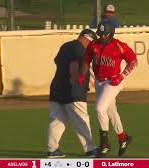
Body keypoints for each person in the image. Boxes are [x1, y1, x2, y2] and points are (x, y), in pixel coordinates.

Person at [78, 21, 137, 157]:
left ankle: (105, 144)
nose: (102, 36)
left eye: (105, 34)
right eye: (100, 34)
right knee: (111, 111)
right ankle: (123, 138)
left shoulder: (119, 46)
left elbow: (133, 61)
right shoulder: (94, 45)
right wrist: (82, 75)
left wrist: (122, 76)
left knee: (100, 109)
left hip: (113, 81)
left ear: (111, 34)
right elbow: (86, 60)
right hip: (99, 83)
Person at [47, 29, 99, 158]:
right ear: (87, 39)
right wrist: (74, 79)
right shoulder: (79, 48)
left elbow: (57, 61)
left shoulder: (66, 45)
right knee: (81, 120)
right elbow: (74, 63)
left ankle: (52, 150)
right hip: (73, 90)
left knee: (57, 120)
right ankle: (91, 149)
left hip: (57, 88)